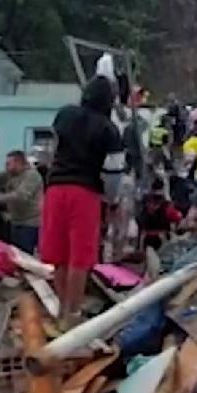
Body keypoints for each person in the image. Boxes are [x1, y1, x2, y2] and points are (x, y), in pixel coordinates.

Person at [42, 76, 123, 327]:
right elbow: (113, 172)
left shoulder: (64, 115)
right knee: (80, 257)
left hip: (55, 188)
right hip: (85, 192)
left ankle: (60, 309)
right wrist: (111, 200)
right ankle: (73, 314)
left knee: (59, 254)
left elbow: (54, 149)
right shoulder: (109, 129)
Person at [0, 151, 44, 254]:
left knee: (24, 257)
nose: (5, 166)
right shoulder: (10, 175)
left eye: (8, 163)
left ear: (18, 163)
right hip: (15, 221)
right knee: (15, 255)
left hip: (29, 223)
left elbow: (20, 196)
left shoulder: (31, 176)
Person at [138, 178, 183, 251]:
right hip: (154, 239)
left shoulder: (166, 207)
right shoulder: (166, 206)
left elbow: (178, 218)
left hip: (160, 239)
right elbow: (178, 218)